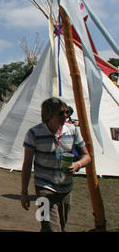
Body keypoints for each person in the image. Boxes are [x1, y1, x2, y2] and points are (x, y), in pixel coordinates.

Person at [21, 97, 91, 232]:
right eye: (61, 113)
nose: (65, 116)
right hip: (44, 187)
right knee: (53, 229)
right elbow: (27, 164)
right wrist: (24, 193)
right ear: (48, 115)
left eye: (67, 112)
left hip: (66, 187)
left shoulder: (73, 131)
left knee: (59, 227)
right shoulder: (34, 133)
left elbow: (87, 156)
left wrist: (77, 165)